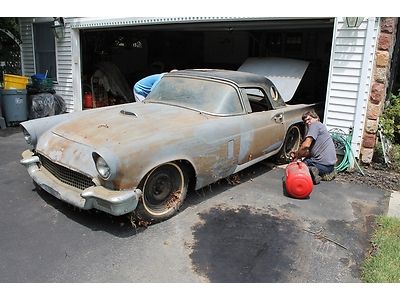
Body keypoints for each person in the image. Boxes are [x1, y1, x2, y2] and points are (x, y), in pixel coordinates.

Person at [290, 110, 337, 184]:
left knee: (300, 166)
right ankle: (314, 173)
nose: (307, 122)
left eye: (309, 119)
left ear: (317, 118)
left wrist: (297, 157)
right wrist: (297, 153)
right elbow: (310, 152)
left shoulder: (315, 125)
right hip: (329, 166)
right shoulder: (320, 127)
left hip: (321, 165)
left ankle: (310, 172)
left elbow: (305, 146)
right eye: (305, 121)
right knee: (307, 159)